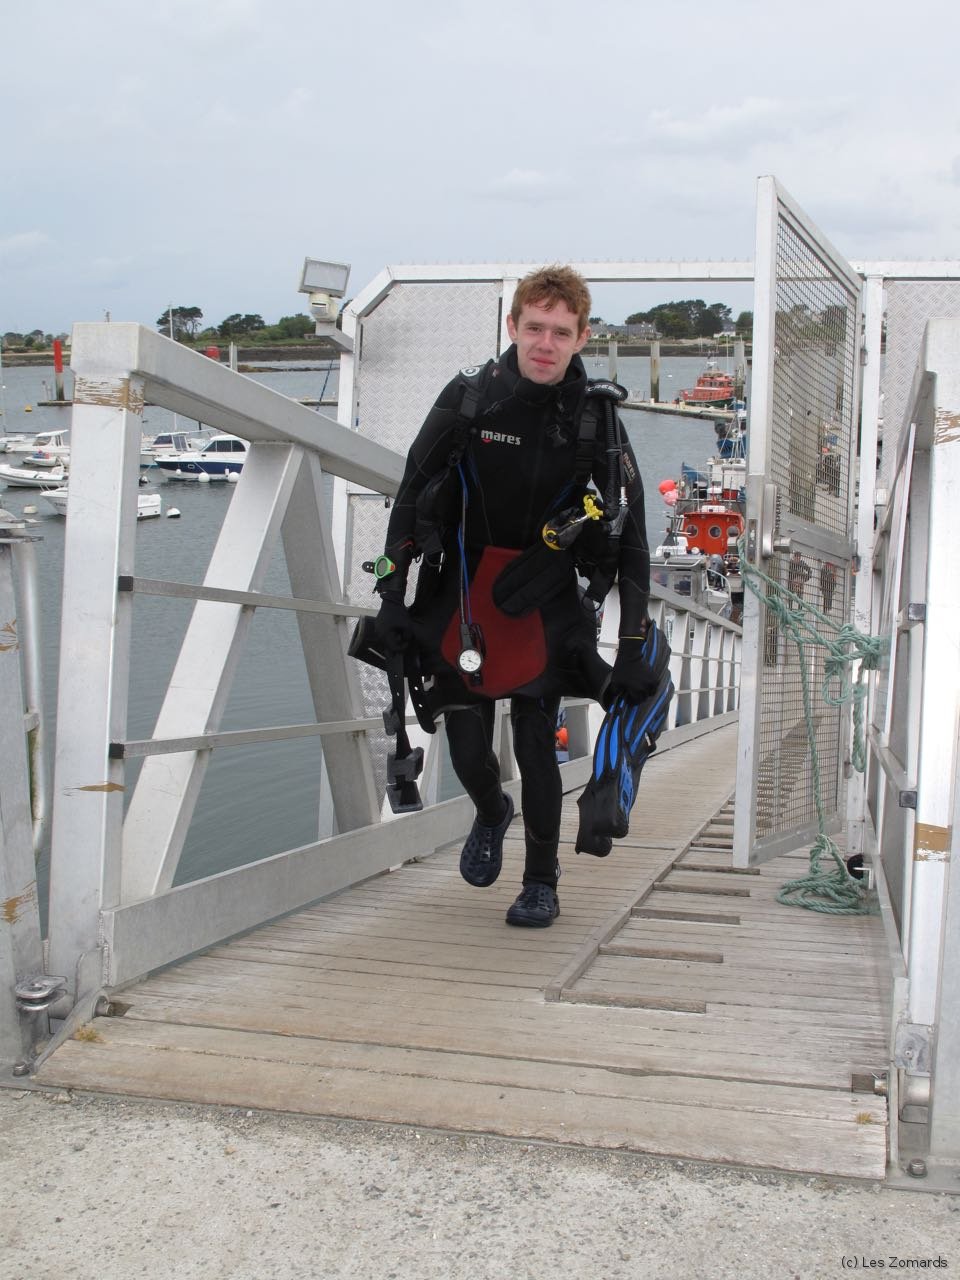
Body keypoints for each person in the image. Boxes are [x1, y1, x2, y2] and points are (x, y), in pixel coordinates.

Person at [365, 266, 657, 928]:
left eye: (561, 332)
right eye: (535, 328)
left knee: (534, 742)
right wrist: (391, 592)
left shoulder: (597, 417)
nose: (545, 344)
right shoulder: (470, 397)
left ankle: (541, 882)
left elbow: (635, 536)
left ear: (582, 337)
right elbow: (408, 497)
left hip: (543, 593)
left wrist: (633, 644)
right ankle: (492, 809)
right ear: (513, 326)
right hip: (464, 589)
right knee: (469, 748)